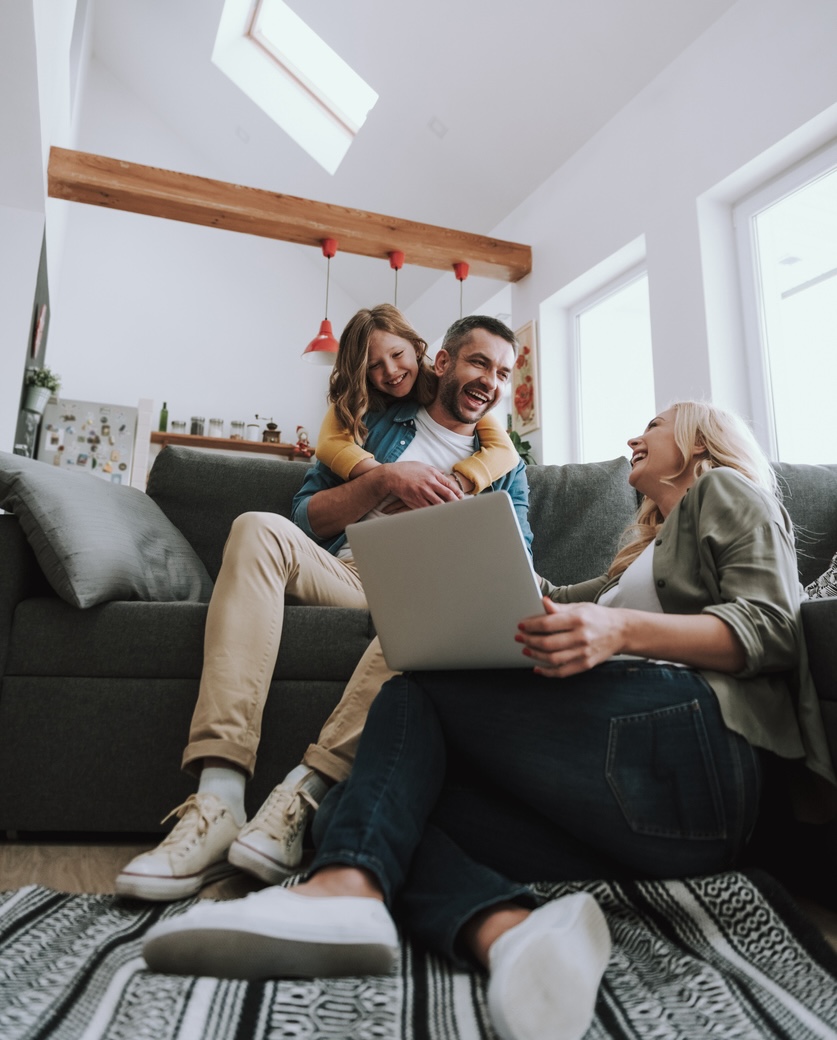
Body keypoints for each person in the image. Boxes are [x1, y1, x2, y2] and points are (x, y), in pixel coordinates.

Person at [142, 401, 836, 1040]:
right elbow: (557, 601)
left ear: (695, 442)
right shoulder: (640, 549)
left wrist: (617, 628)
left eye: (653, 426)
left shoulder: (726, 491)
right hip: (645, 823)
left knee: (418, 689)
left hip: (702, 761)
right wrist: (490, 572)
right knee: (366, 803)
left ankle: (344, 886)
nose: (634, 436)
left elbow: (771, 630)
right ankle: (509, 934)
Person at [116, 308, 528, 901]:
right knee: (256, 527)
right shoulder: (380, 421)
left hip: (434, 587)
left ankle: (301, 795)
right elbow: (306, 516)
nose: (491, 379)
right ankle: (218, 795)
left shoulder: (506, 465)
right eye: (479, 362)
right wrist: (386, 480)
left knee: (439, 615)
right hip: (350, 569)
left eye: (503, 371)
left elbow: (521, 549)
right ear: (443, 363)